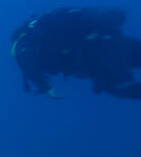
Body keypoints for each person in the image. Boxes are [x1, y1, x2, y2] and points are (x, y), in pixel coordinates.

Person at [12, 7, 141, 99]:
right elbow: (25, 59)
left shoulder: (34, 35)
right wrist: (45, 87)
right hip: (98, 54)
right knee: (118, 83)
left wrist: (45, 87)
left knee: (118, 84)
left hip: (99, 52)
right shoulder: (38, 32)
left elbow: (24, 59)